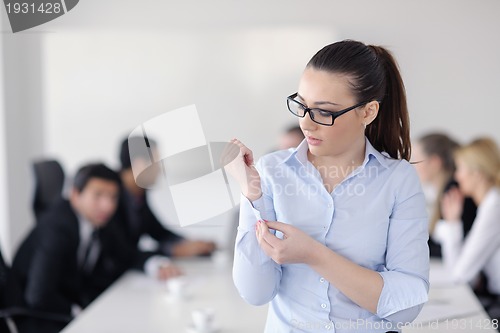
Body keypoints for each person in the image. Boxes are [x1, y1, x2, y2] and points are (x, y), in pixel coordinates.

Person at [226, 40, 429, 332]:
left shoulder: (398, 180)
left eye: (324, 112)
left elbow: (405, 307)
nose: (306, 125)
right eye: (302, 106)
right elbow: (255, 293)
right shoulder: (272, 172)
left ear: (368, 112)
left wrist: (313, 255)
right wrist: (252, 195)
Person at [9, 163, 133, 333]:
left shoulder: (100, 220)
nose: (108, 206)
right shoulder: (57, 227)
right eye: (98, 195)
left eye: (113, 197)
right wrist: (77, 311)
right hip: (40, 316)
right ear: (75, 195)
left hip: (71, 301)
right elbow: (38, 296)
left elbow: (126, 254)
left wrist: (154, 264)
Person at [117, 136, 216, 279]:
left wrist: (188, 243)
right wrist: (174, 251)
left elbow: (158, 231)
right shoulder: (110, 197)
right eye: (157, 163)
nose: (160, 169)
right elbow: (123, 252)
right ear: (140, 164)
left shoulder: (137, 194)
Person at [436, 138, 500, 321]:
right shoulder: (490, 203)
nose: (457, 177)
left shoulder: (494, 207)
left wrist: (453, 224)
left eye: (460, 169)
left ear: (477, 173)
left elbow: (460, 275)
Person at [412, 133, 477, 257]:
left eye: (416, 159)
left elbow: (444, 247)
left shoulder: (453, 191)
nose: (413, 166)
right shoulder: (445, 190)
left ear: (435, 162)